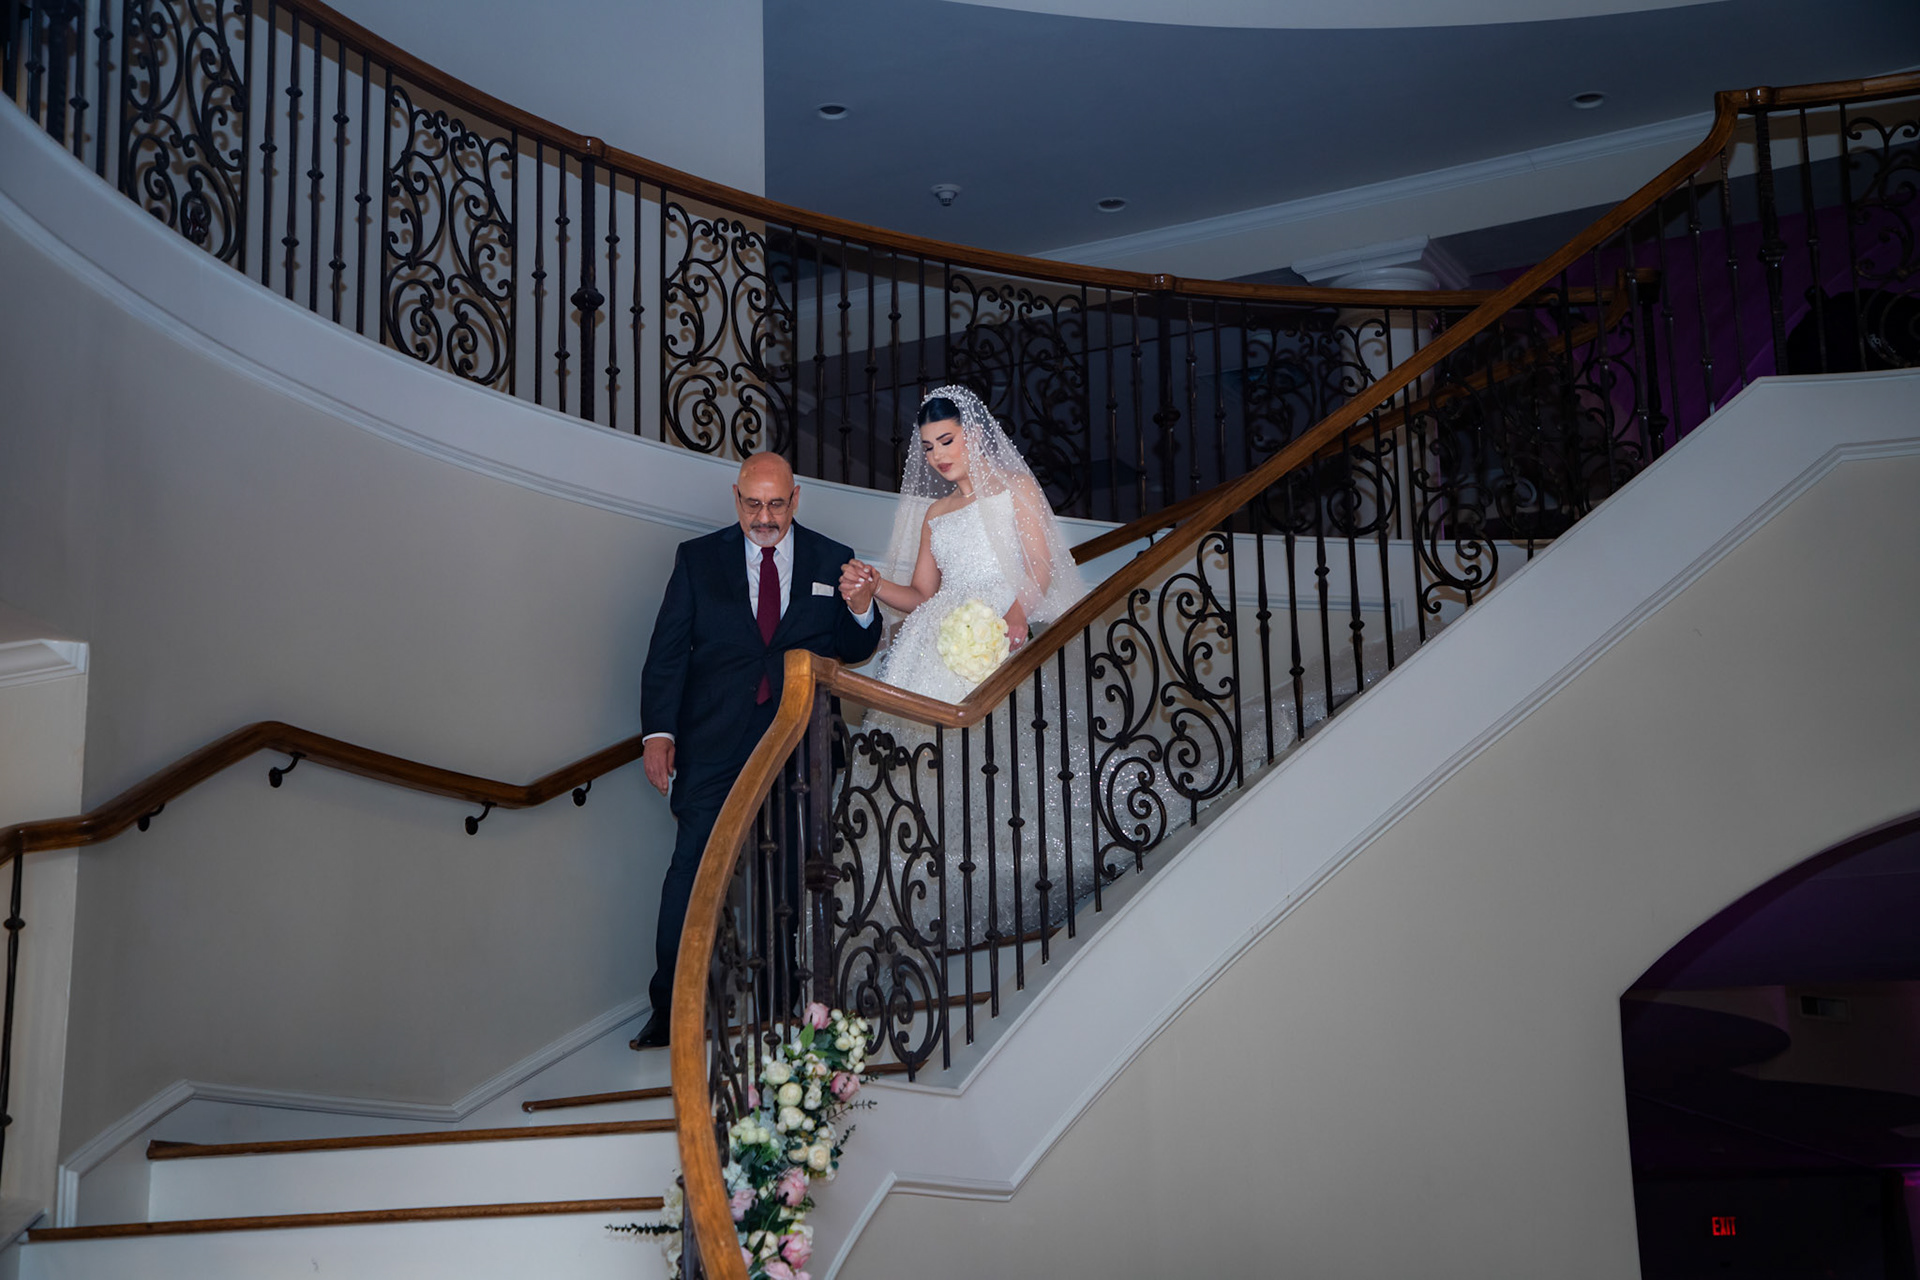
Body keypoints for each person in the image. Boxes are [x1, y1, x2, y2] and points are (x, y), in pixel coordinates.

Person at [631, 453, 882, 1049]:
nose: (764, 517)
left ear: (795, 499)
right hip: (714, 743)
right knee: (693, 872)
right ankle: (672, 1008)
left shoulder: (831, 557)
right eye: (752, 504)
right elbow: (667, 652)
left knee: (787, 876)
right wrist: (658, 733)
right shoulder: (696, 559)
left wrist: (860, 607)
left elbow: (854, 649)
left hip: (798, 746)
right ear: (736, 497)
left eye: (775, 504)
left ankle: (778, 1000)